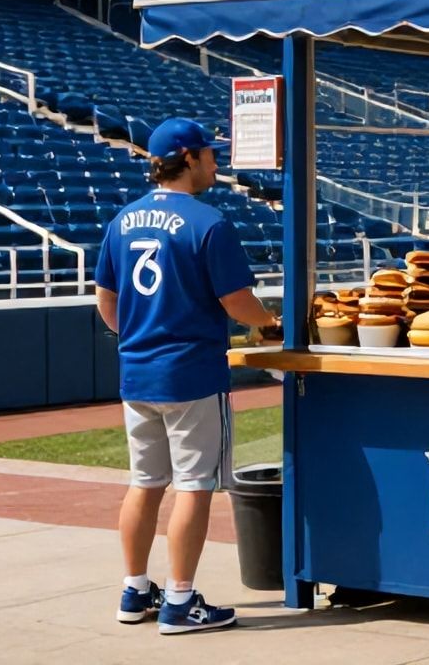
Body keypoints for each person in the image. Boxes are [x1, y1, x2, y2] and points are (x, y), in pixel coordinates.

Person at [95, 118, 276, 635]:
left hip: (138, 371)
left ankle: (135, 589)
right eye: (210, 155)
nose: (217, 163)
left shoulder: (122, 219)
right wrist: (271, 323)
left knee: (144, 483)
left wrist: (134, 337)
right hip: (192, 373)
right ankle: (179, 600)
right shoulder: (207, 221)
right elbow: (237, 303)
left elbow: (106, 302)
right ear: (189, 158)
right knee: (194, 486)